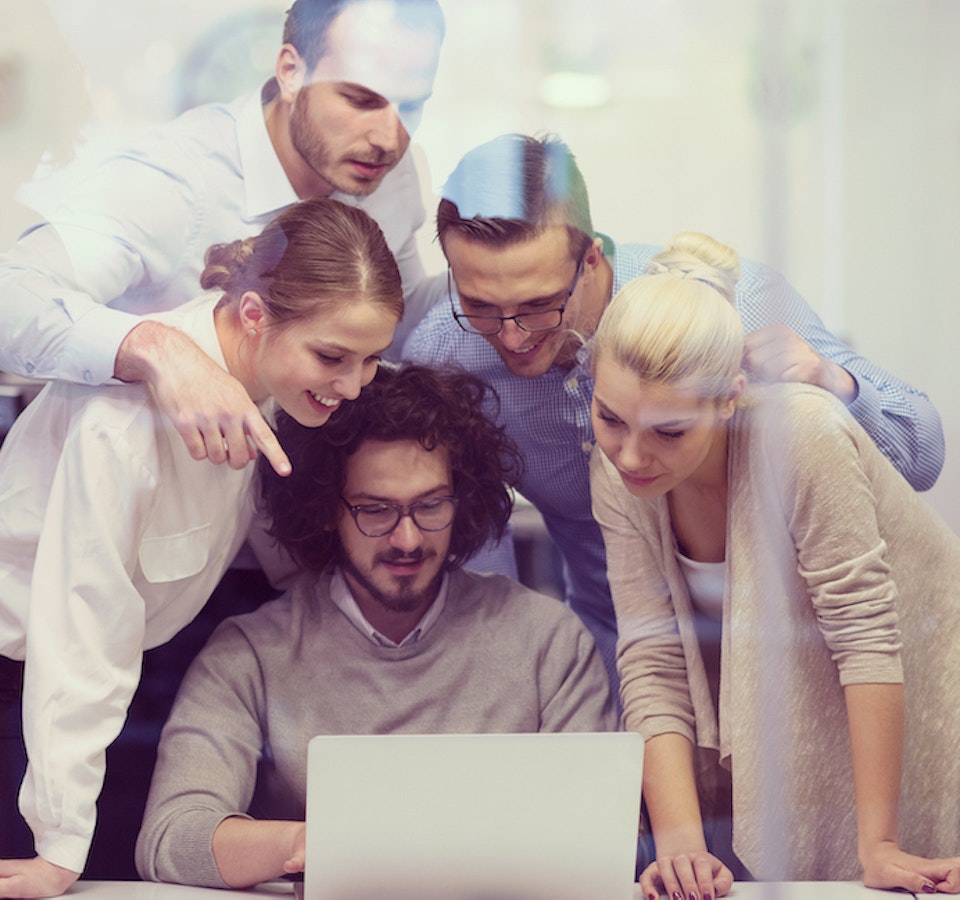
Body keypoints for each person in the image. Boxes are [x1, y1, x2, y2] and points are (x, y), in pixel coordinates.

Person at [403, 132, 945, 691]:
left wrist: (832, 382)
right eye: (481, 307)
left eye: (540, 306)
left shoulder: (730, 306)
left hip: (798, 664)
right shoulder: (446, 356)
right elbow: (479, 560)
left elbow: (921, 456)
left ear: (590, 258)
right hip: (625, 662)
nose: (512, 337)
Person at [0, 197, 403, 899]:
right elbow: (79, 630)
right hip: (28, 693)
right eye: (333, 356)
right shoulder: (123, 425)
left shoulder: (265, 373)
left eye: (371, 359)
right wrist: (58, 845)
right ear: (254, 315)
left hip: (109, 687)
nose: (351, 385)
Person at [134, 363, 616, 889]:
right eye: (375, 510)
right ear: (323, 510)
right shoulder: (251, 655)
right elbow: (171, 839)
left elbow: (598, 838)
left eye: (430, 505)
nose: (407, 539)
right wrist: (313, 843)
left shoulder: (546, 641)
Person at [589, 232, 960, 898]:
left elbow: (868, 634)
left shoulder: (802, 434)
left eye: (669, 430)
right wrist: (681, 847)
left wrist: (877, 843)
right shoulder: (614, 470)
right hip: (808, 742)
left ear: (728, 400)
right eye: (611, 418)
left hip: (934, 708)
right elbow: (651, 658)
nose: (632, 456)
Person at [0, 0, 445, 478]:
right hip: (125, 498)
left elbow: (403, 328)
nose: (390, 137)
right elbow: (12, 296)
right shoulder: (173, 183)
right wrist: (160, 352)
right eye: (361, 99)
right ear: (292, 72)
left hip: (276, 512)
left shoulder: (395, 175)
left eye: (412, 104)